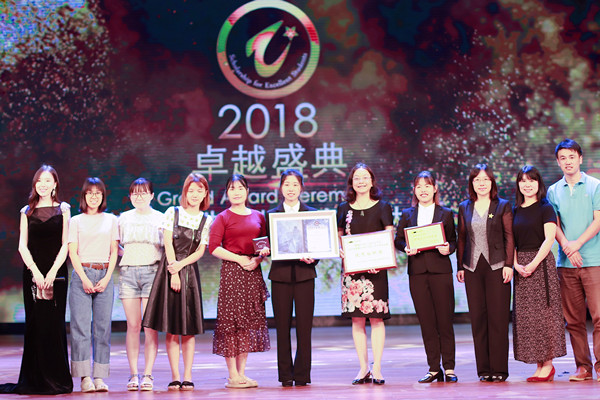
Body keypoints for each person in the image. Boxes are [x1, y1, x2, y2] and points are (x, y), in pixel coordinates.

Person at [0, 165, 72, 395]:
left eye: (48, 180)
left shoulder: (63, 209)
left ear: (55, 184)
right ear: (35, 184)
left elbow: (66, 244)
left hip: (57, 274)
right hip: (32, 273)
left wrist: (52, 272)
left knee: (54, 324)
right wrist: (36, 272)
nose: (43, 184)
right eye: (39, 180)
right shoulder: (26, 211)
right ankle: (35, 379)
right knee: (36, 324)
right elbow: (22, 246)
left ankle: (56, 379)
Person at [142, 173, 211, 391]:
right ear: (185, 192)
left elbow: (200, 251)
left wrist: (181, 267)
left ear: (205, 194)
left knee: (188, 329)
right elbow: (168, 243)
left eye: (199, 190)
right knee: (171, 328)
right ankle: (175, 376)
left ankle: (188, 376)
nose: (195, 194)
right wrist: (173, 271)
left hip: (189, 274)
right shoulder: (173, 212)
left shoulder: (206, 219)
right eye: (191, 190)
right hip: (169, 271)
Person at [395, 171, 458, 383]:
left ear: (435, 189)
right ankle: (433, 368)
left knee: (445, 321)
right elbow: (398, 240)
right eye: (419, 186)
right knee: (426, 322)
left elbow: (453, 241)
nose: (423, 190)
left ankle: (449, 368)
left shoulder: (446, 213)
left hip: (441, 272)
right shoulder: (407, 214)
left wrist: (448, 248)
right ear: (414, 190)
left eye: (427, 186)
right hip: (418, 273)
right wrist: (406, 248)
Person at [209, 174, 271, 389]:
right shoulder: (222, 217)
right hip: (232, 272)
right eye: (232, 188)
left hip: (252, 272)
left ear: (247, 191)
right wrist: (239, 259)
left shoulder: (258, 216)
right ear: (227, 193)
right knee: (231, 324)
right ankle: (232, 375)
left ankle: (242, 374)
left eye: (240, 188)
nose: (236, 192)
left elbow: (264, 246)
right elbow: (213, 247)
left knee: (246, 324)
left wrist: (258, 259)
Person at [547, 138, 600, 382]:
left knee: (598, 317)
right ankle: (583, 367)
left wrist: (577, 244)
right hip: (566, 264)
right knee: (574, 320)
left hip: (594, 261)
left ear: (580, 158)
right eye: (563, 158)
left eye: (571, 157)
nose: (568, 162)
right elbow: (554, 225)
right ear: (558, 162)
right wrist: (568, 248)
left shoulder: (595, 186)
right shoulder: (553, 191)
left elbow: (598, 221)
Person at [336, 162, 393, 385]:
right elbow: (339, 236)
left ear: (372, 181)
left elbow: (389, 237)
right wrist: (340, 250)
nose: (361, 181)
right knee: (357, 319)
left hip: (376, 271)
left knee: (377, 318)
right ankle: (363, 368)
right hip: (352, 273)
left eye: (365, 177)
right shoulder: (343, 208)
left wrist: (381, 261)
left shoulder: (383, 207)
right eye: (357, 178)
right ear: (351, 182)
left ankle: (377, 368)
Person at [456, 164, 514, 382]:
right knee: (478, 319)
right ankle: (484, 370)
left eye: (485, 180)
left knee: (498, 318)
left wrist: (508, 264)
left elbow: (509, 236)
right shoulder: (464, 207)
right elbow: (462, 237)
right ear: (472, 183)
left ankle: (499, 369)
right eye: (477, 180)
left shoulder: (502, 205)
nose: (482, 183)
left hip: (497, 266)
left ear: (492, 182)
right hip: (472, 267)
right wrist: (460, 266)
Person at [512, 165, 566, 382]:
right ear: (518, 184)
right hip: (521, 267)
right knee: (529, 319)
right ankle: (539, 365)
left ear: (538, 183)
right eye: (523, 181)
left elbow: (549, 239)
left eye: (531, 180)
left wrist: (533, 264)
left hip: (541, 265)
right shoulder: (515, 210)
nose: (527, 185)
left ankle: (548, 365)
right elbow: (510, 241)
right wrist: (515, 264)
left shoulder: (546, 208)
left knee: (545, 316)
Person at [266, 169, 319, 387]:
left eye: (295, 184)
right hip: (280, 276)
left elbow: (318, 246)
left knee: (305, 328)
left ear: (301, 188)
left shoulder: (312, 213)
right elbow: (267, 244)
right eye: (287, 184)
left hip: (305, 276)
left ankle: (303, 375)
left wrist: (314, 257)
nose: (291, 189)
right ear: (280, 188)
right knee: (282, 328)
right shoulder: (271, 215)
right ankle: (286, 375)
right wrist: (265, 250)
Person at [68, 177, 119, 392]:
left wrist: (106, 278)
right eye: (90, 193)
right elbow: (72, 252)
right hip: (82, 274)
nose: (94, 196)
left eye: (98, 193)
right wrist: (84, 278)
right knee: (80, 329)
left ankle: (99, 376)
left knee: (102, 329)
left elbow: (114, 251)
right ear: (84, 196)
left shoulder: (111, 220)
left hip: (104, 274)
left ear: (103, 196)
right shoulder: (75, 221)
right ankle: (84, 378)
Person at [118, 178, 163, 391]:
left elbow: (167, 247)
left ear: (152, 195)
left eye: (143, 192)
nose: (139, 197)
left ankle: (148, 375)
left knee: (149, 326)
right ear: (130, 196)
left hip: (152, 273)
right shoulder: (123, 218)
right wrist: (128, 255)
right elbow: (115, 246)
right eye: (135, 193)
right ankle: (133, 374)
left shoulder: (160, 218)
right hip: (128, 273)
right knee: (133, 326)